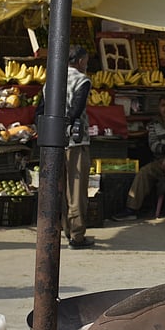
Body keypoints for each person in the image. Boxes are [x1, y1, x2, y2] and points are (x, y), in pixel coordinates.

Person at [112, 93, 165, 220]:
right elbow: (153, 144)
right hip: (162, 162)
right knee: (144, 172)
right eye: (163, 105)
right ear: (159, 108)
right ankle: (131, 209)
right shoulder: (154, 124)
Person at [60, 46, 93, 248]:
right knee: (77, 189)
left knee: (62, 188)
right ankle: (77, 235)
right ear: (80, 61)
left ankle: (65, 229)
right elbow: (77, 109)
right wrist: (69, 125)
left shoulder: (53, 79)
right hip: (76, 141)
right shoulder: (82, 80)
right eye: (86, 61)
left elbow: (41, 107)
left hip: (56, 142)